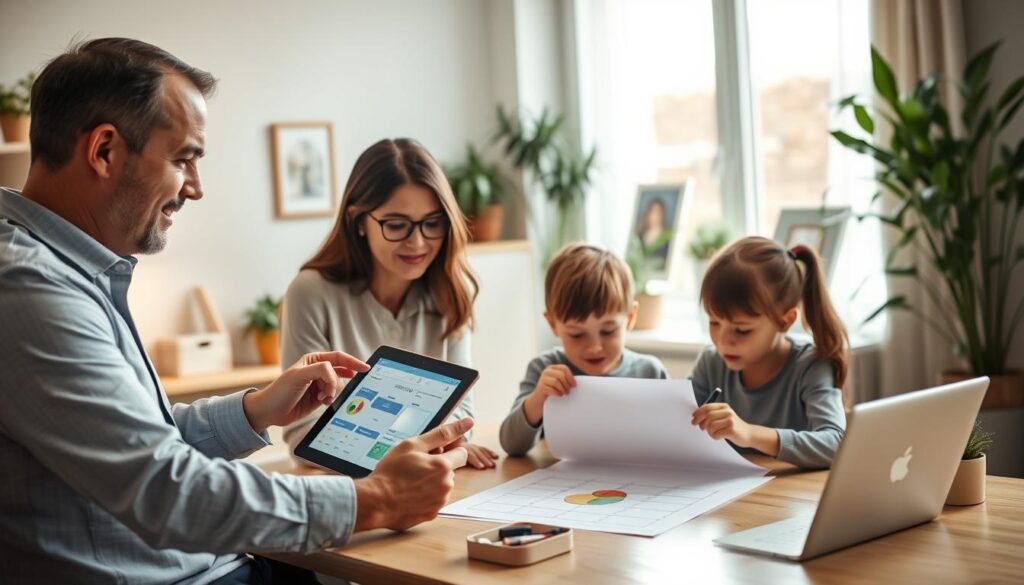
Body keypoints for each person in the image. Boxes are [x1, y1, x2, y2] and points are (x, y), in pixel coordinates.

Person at [0, 38, 473, 584]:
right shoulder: (29, 287)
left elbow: (140, 441)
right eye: (184, 160)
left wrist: (254, 411)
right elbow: (163, 488)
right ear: (104, 151)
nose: (196, 188)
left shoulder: (71, 273)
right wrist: (376, 498)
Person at [280, 138, 499, 470]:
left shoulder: (453, 291)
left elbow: (461, 413)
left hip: (427, 479)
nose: (418, 242)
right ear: (358, 222)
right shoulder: (310, 292)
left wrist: (451, 441)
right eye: (396, 225)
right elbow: (303, 432)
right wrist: (412, 451)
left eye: (432, 223)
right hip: (348, 488)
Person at [689, 236, 848, 469]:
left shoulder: (811, 365)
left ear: (785, 321)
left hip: (790, 499)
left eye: (742, 330)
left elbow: (836, 445)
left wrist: (749, 433)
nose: (723, 341)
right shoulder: (710, 361)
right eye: (714, 323)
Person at [499, 243, 669, 456]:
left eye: (608, 331)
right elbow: (511, 445)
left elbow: (674, 442)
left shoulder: (650, 372)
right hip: (565, 485)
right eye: (576, 335)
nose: (595, 347)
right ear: (552, 324)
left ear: (630, 317)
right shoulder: (545, 369)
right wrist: (539, 398)